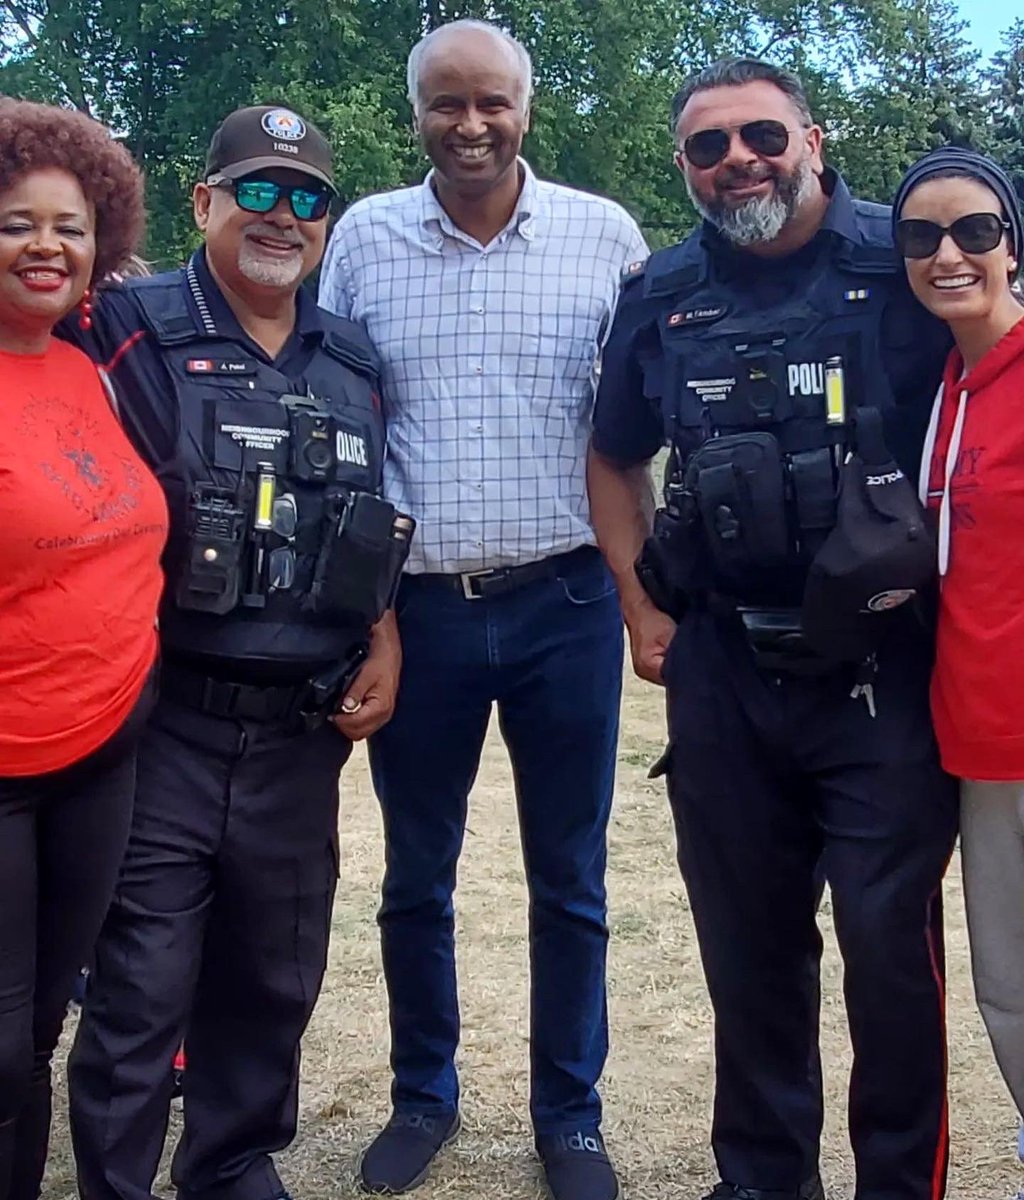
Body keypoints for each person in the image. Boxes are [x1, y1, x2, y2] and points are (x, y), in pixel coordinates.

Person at [587, 57, 960, 1200]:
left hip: (881, 670)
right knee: (748, 958)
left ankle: (900, 1185)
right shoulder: (658, 291)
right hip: (724, 672)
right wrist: (642, 612)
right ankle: (760, 1182)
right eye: (708, 146)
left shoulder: (900, 263)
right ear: (683, 167)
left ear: (810, 135)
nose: (737, 159)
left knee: (889, 960)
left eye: (760, 134)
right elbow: (610, 457)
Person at [318, 19, 647, 1200]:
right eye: (445, 103)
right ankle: (424, 1096)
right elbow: (347, 428)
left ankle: (571, 1118)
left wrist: (636, 591)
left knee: (570, 877)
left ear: (525, 106)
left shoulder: (603, 236)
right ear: (414, 110)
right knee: (417, 873)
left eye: (490, 102)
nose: (469, 124)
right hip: (421, 610)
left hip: (564, 597)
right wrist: (374, 618)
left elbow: (632, 433)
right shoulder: (363, 238)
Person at [62, 104, 408, 1200]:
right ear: (204, 202)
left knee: (272, 973)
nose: (282, 216)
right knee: (140, 984)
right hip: (163, 719)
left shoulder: (353, 359)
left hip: (303, 734)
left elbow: (367, 516)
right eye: (255, 190)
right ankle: (117, 1179)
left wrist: (386, 638)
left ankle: (231, 1162)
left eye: (306, 197)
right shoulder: (117, 322)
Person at [0, 99, 166, 1200]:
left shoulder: (84, 363)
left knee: (44, 1022)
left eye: (70, 223)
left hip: (102, 753)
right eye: (16, 223)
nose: (48, 246)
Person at [893, 145, 1024, 1195]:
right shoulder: (950, 382)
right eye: (921, 236)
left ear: (1010, 243)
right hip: (975, 736)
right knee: (1010, 989)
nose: (948, 253)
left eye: (974, 230)